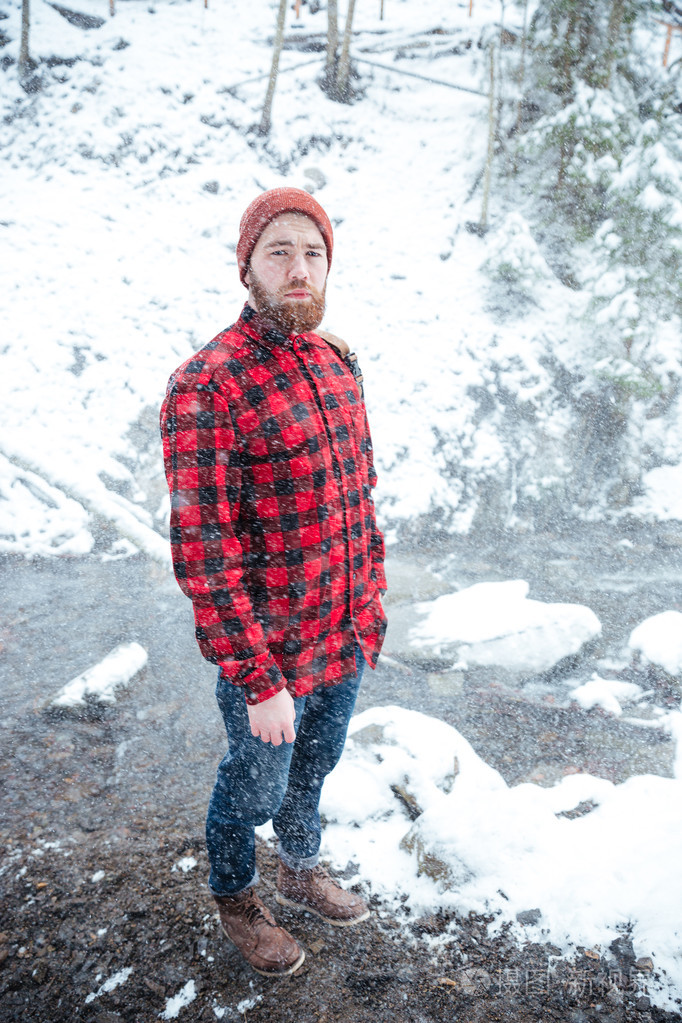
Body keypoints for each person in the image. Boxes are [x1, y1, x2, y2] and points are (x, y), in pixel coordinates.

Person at [160, 188, 387, 977]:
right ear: (247, 267)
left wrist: (369, 603)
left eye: (313, 253)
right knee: (252, 788)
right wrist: (259, 680)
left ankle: (298, 866)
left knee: (315, 768)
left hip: (341, 636)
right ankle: (236, 895)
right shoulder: (208, 384)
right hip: (270, 658)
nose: (299, 268)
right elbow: (204, 552)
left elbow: (357, 496)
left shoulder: (335, 363)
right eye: (279, 251)